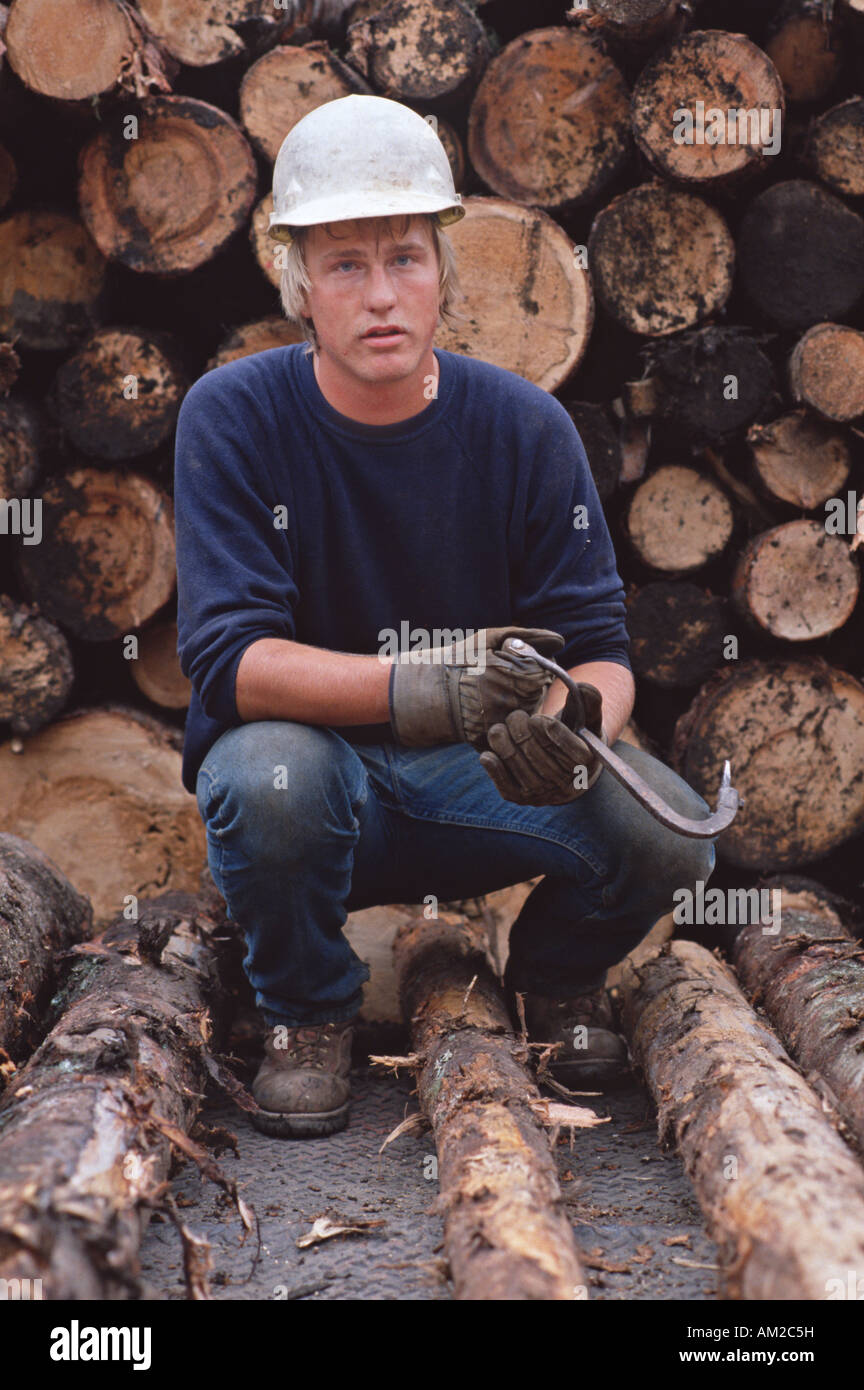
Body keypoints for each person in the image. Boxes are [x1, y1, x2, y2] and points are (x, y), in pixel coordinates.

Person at [174, 94, 715, 1140]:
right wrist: (422, 688)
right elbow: (229, 664)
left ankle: (555, 983)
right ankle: (306, 1011)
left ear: (444, 273)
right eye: (345, 266)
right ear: (297, 284)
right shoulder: (232, 418)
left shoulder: (524, 426)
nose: (381, 296)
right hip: (322, 785)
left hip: (482, 787)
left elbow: (604, 653)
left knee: (666, 828)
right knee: (263, 774)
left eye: (406, 260)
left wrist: (573, 724)